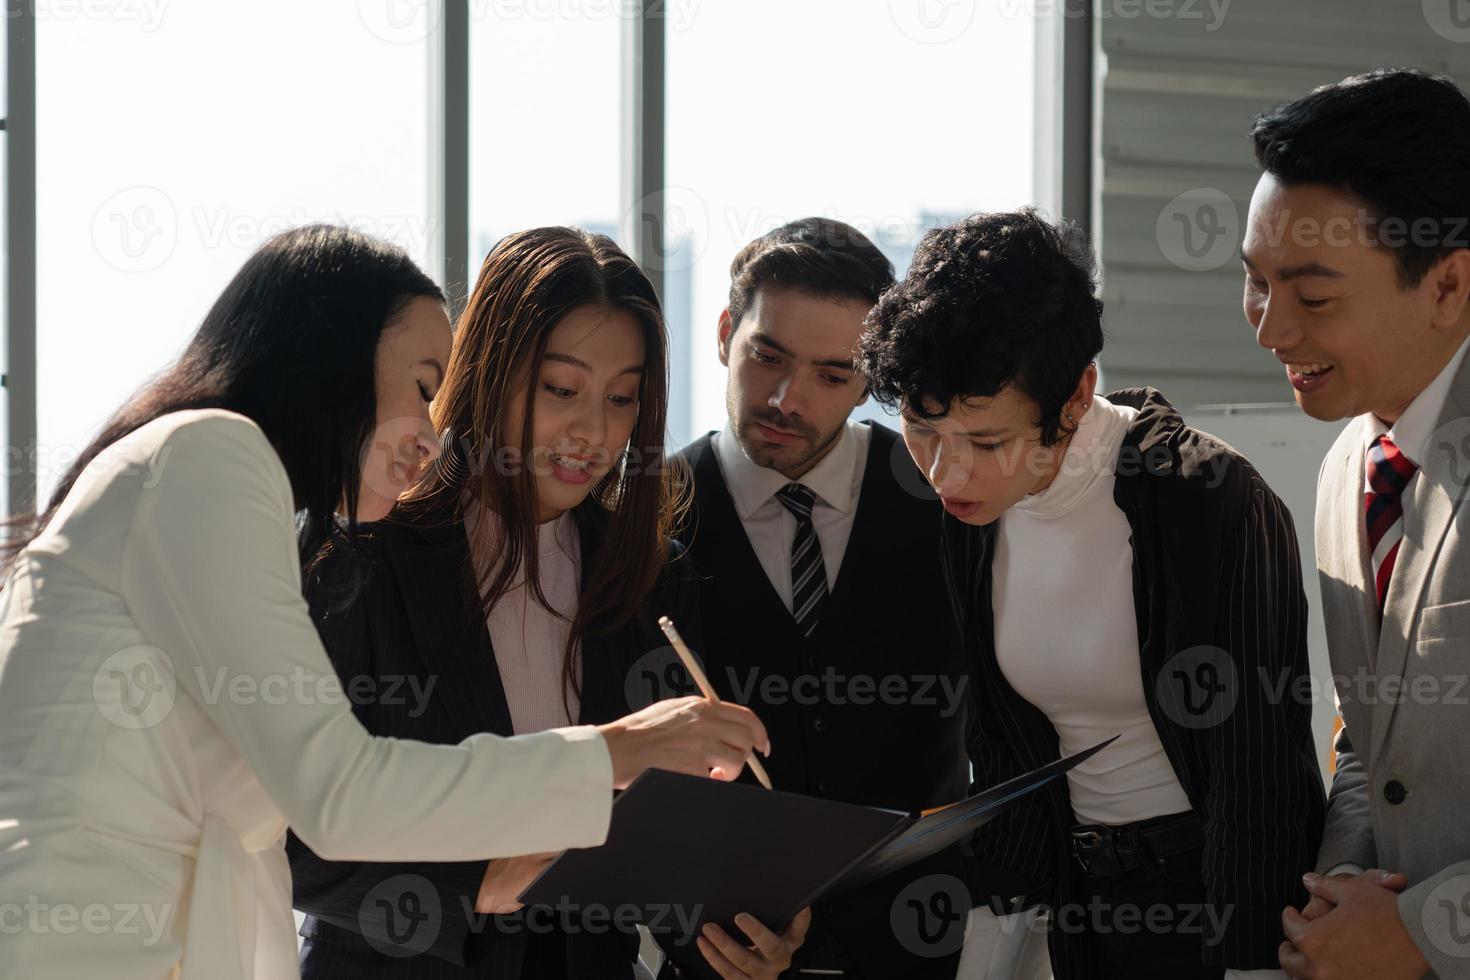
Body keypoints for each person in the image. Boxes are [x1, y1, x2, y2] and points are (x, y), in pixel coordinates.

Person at [0, 225, 768, 979]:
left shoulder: (205, 467)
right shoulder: (216, 457)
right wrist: (616, 751)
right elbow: (340, 793)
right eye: (425, 389)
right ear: (335, 365)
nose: (434, 436)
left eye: (622, 398)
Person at [288, 226, 808, 980]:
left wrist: (737, 943)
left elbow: (666, 857)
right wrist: (481, 886)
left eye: (622, 398)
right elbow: (296, 846)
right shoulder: (363, 554)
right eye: (560, 390)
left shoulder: (650, 576)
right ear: (490, 372)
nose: (592, 431)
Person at [858, 208, 1324, 979]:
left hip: (1206, 901)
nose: (947, 474)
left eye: (987, 441)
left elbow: (1260, 780)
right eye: (921, 430)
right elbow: (1002, 746)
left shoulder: (1209, 500)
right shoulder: (973, 513)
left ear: (1077, 395)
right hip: (1073, 901)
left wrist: (1250, 966)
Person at [672, 217, 971, 978]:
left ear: (871, 376)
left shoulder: (946, 500)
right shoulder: (642, 514)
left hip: (920, 950)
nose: (785, 398)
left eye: (832, 376)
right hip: (715, 953)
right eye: (766, 357)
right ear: (722, 334)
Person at [1241, 68, 1470, 979]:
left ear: (1448, 284)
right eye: (1254, 283)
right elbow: (1367, 749)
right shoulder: (1349, 466)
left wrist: (1424, 928)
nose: (1268, 330)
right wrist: (1341, 888)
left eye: (1313, 297)